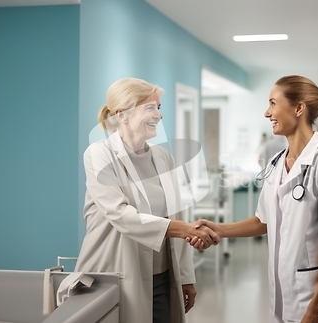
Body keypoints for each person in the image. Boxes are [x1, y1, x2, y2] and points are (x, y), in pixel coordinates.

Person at [190, 75, 318, 323]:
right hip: (282, 296)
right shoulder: (276, 163)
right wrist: (218, 229)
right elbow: (262, 221)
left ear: (298, 108)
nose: (267, 113)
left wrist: (315, 309)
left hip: (316, 301)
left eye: (273, 103)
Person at [75, 78, 219, 323]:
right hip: (116, 275)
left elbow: (177, 215)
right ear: (122, 115)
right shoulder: (99, 154)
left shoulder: (163, 157)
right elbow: (121, 214)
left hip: (162, 276)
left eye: (158, 108)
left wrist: (186, 276)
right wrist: (185, 230)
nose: (158, 116)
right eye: (150, 108)